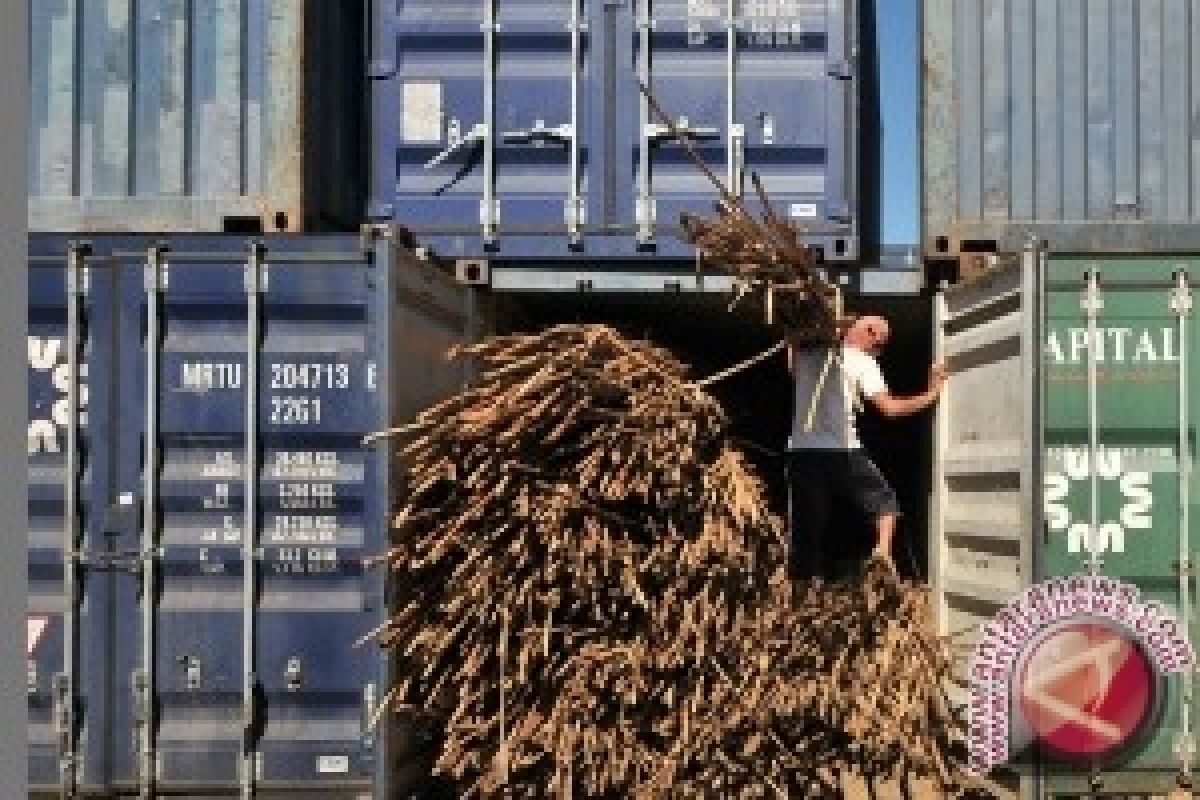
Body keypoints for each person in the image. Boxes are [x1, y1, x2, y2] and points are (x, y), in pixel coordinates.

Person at [785, 315, 946, 577]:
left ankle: (802, 592)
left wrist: (798, 334)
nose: (878, 353)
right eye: (879, 346)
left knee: (807, 531)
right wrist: (932, 394)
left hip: (801, 454)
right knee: (886, 503)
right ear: (871, 333)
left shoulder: (808, 354)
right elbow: (890, 409)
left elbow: (791, 358)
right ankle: (882, 553)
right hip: (842, 452)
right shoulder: (862, 361)